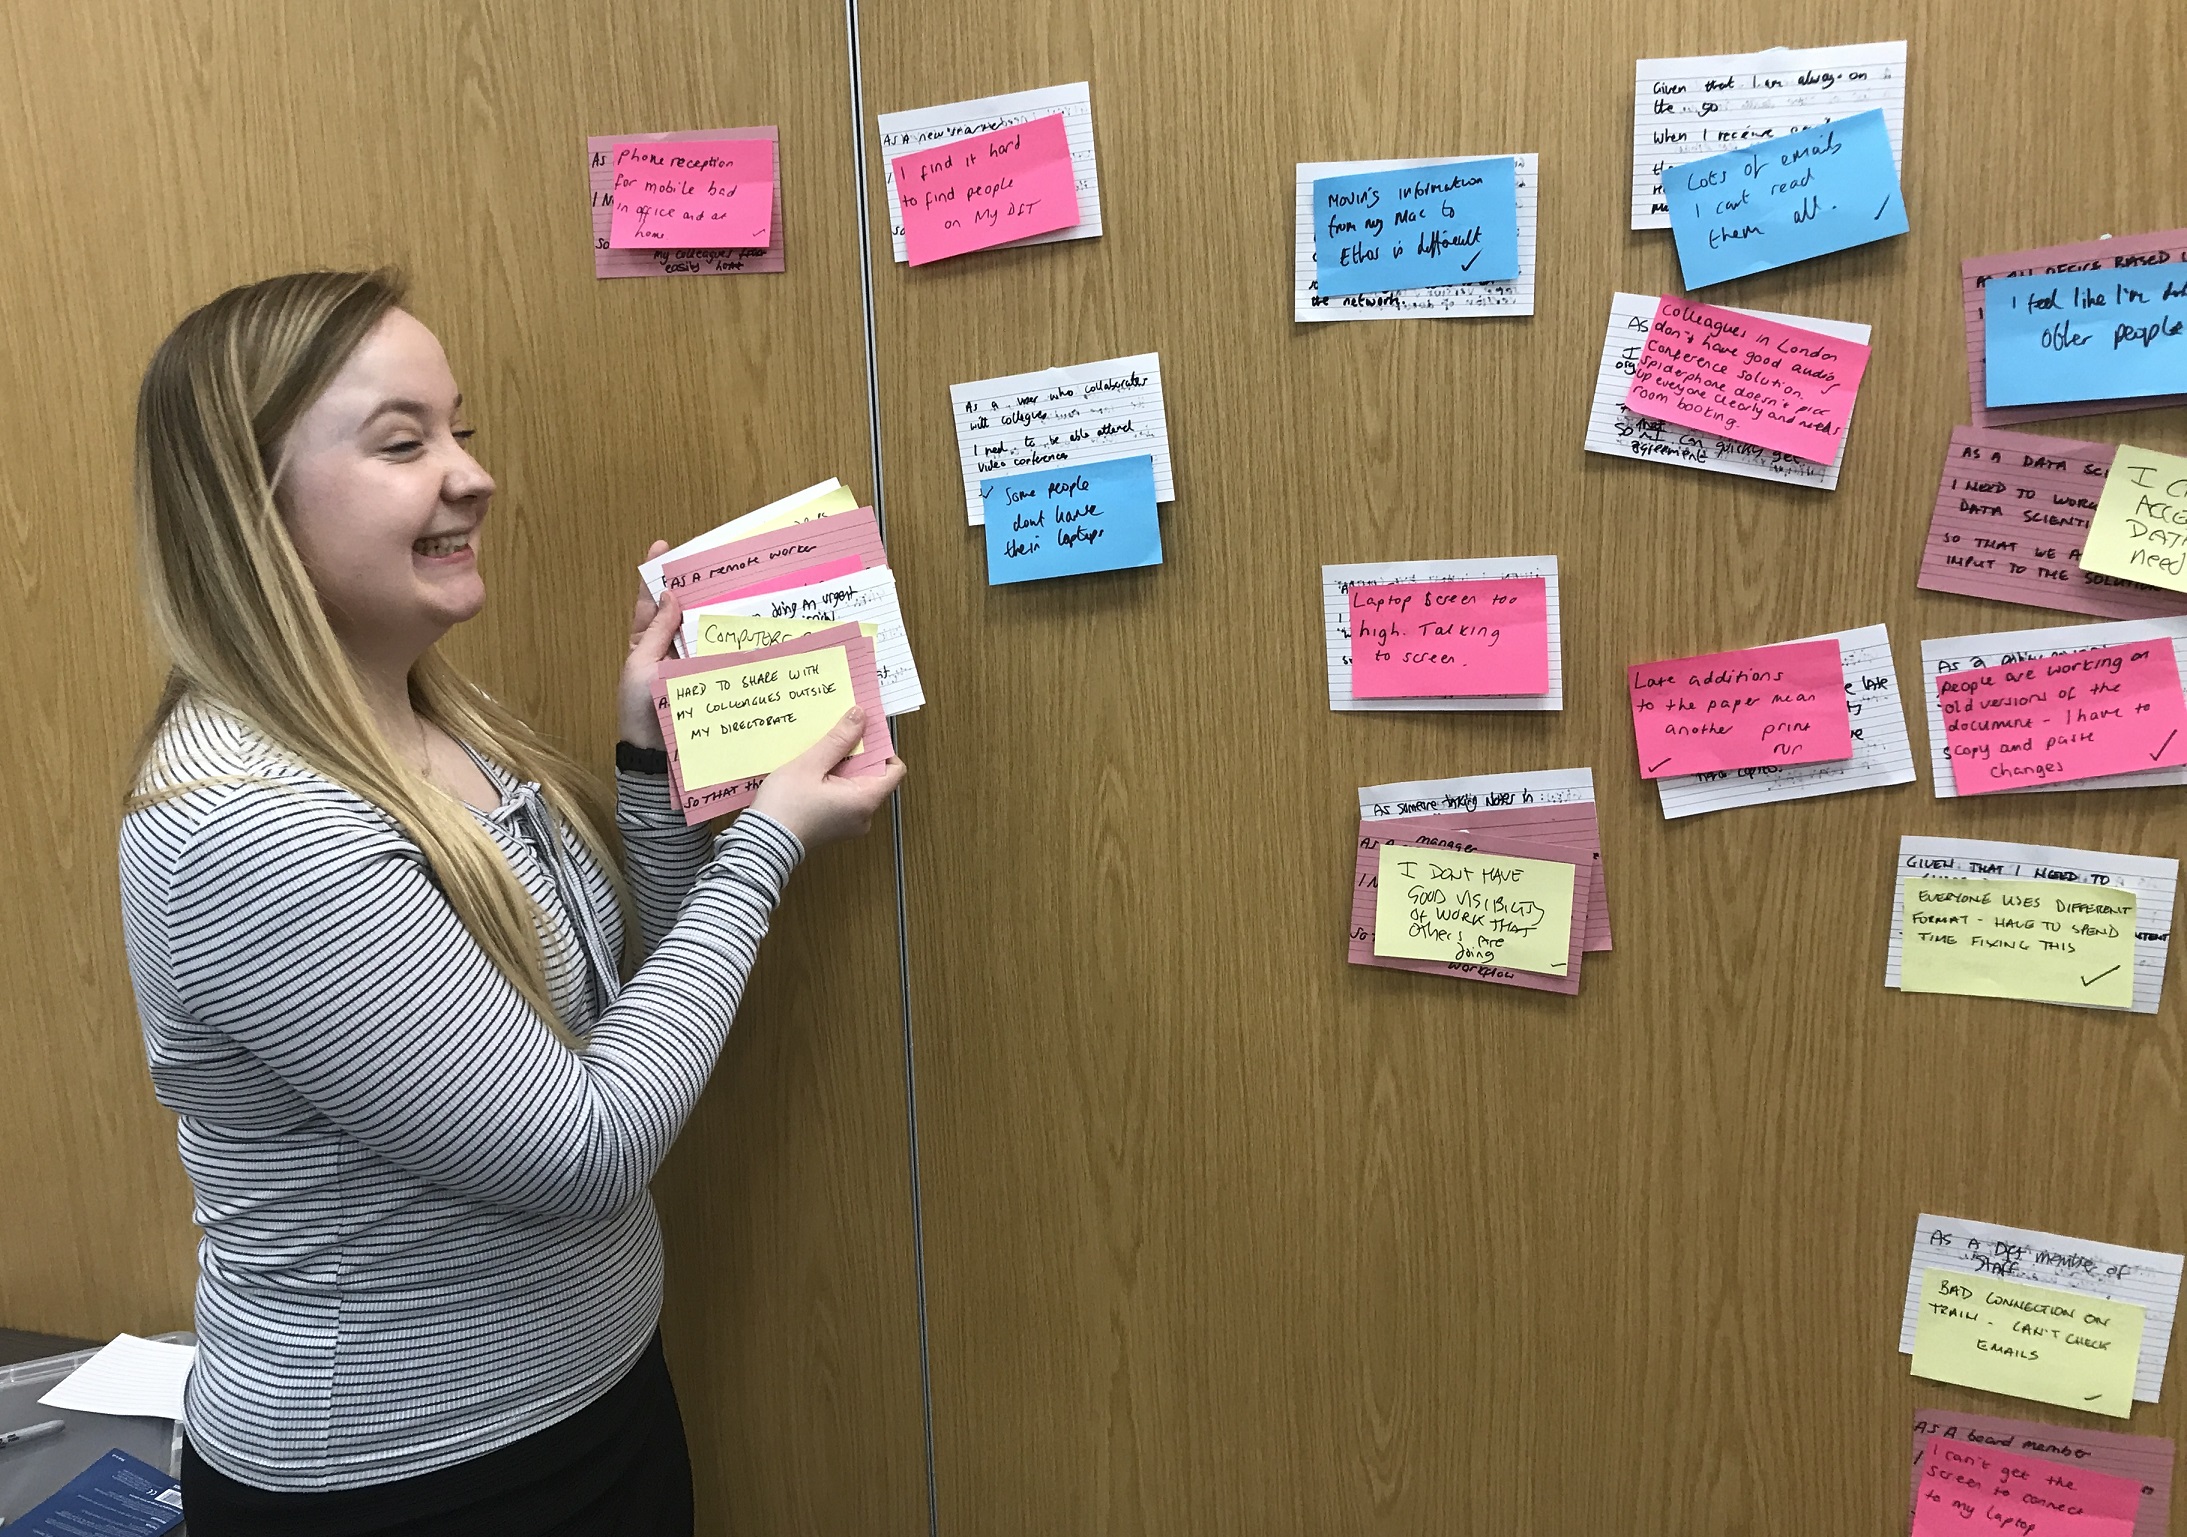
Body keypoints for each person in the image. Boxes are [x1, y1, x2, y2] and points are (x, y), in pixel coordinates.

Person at [116, 268, 905, 1535]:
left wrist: (650, 763)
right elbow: (587, 1146)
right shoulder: (246, 822)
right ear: (247, 503)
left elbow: (609, 1009)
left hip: (585, 1400)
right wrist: (765, 847)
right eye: (402, 442)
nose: (471, 476)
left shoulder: (431, 720)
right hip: (410, 1477)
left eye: (460, 431)